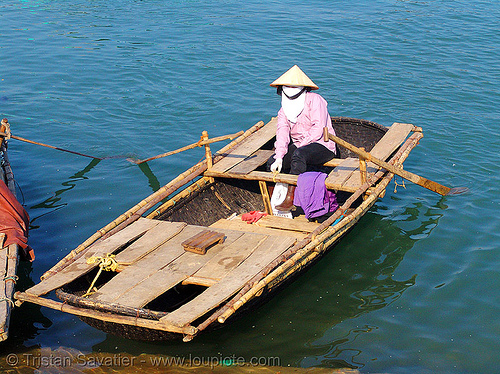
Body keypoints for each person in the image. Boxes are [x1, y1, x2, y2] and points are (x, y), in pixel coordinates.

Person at [267, 65, 338, 211]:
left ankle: (291, 198)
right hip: (300, 145)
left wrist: (300, 147)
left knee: (298, 155)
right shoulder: (284, 109)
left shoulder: (315, 100)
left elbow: (317, 129)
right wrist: (279, 156)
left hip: (322, 145)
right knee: (271, 162)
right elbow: (282, 132)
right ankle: (273, 196)